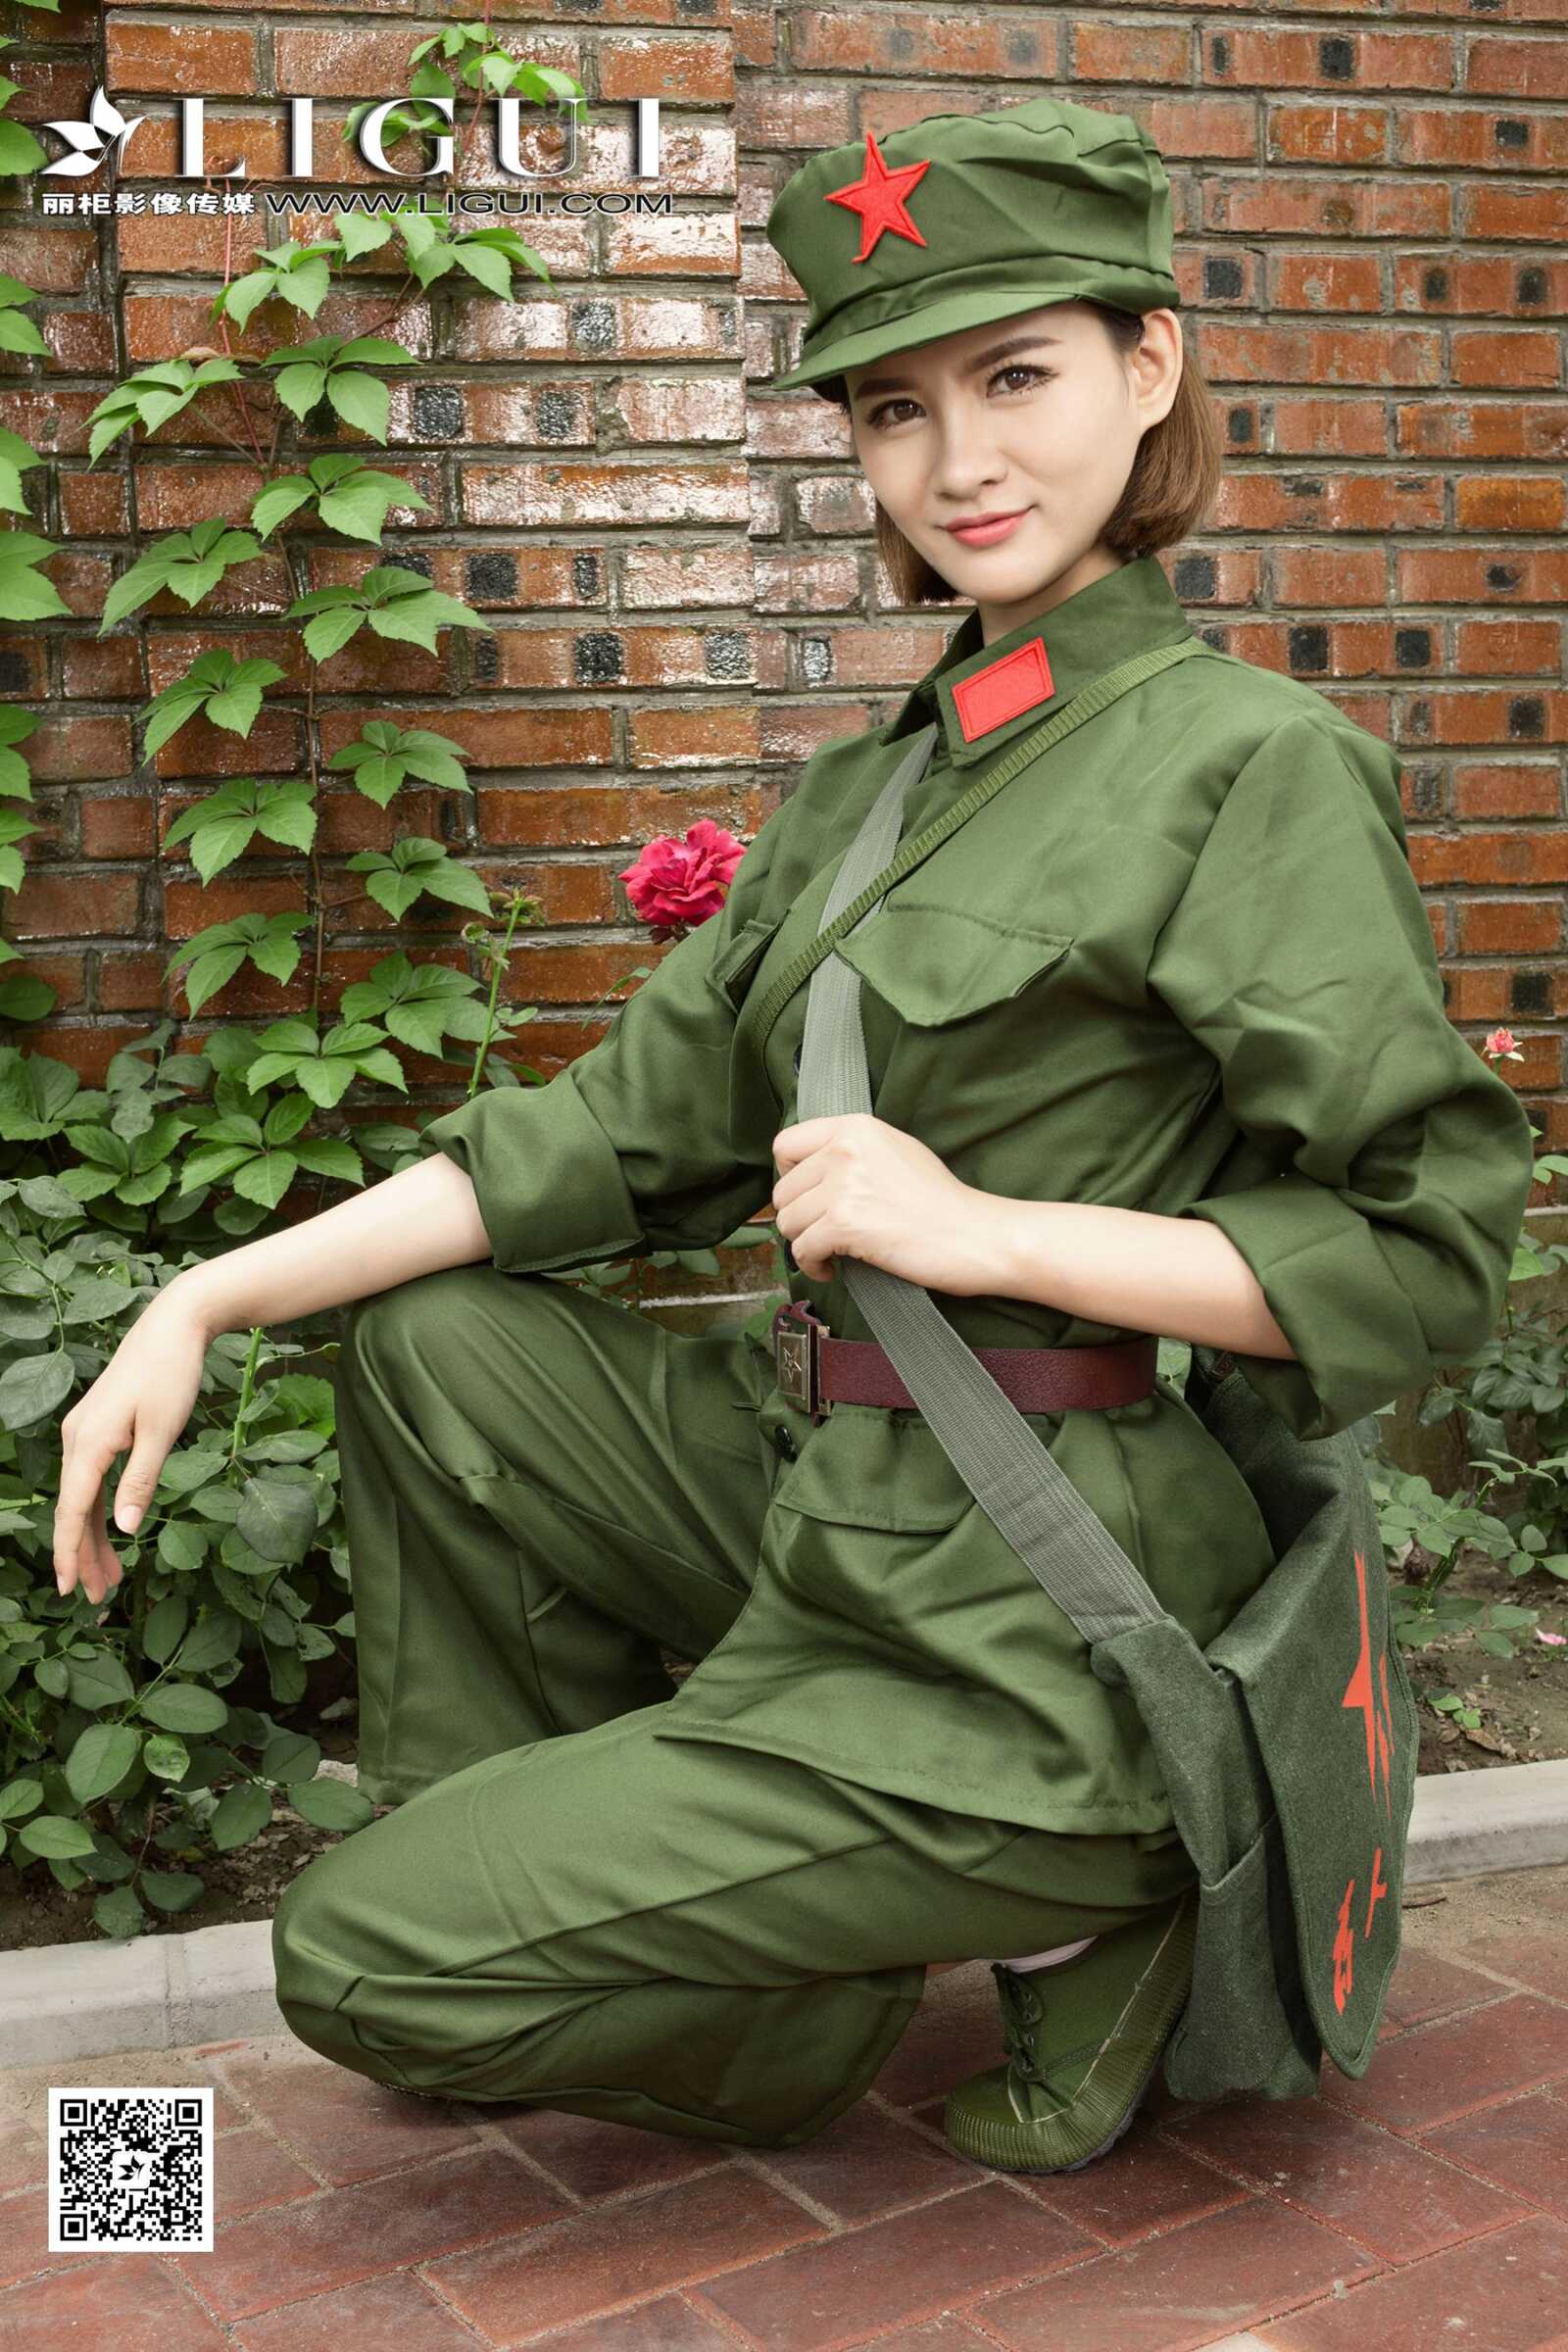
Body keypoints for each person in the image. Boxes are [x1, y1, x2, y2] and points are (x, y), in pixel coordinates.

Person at [53, 95, 1536, 2175]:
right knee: (437, 1346)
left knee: (361, 1966)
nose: (959, 461)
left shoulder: (1246, 764)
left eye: (1016, 377)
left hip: (1042, 1596)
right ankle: (653, 1880)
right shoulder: (868, 795)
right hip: (836, 1497)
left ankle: (987, 1909)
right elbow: (597, 1139)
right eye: (896, 408)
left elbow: (1426, 1251)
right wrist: (202, 1298)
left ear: (1149, 367)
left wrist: (982, 1230)